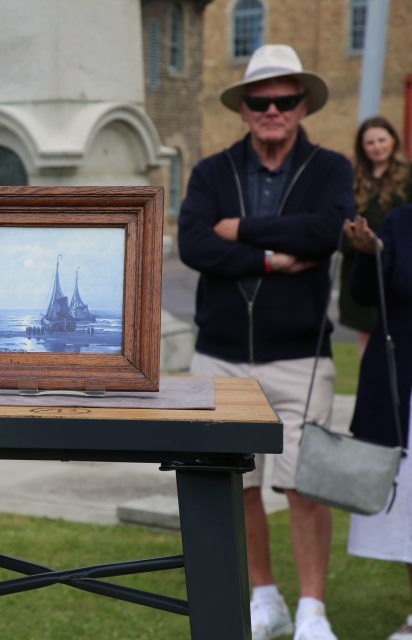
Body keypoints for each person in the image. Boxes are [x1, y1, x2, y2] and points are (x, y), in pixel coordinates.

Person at [177, 44, 354, 640]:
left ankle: (312, 609)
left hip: (300, 354)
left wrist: (243, 233)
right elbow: (195, 244)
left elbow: (328, 230)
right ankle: (264, 596)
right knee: (240, 483)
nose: (272, 110)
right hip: (222, 352)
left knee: (304, 484)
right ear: (245, 108)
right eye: (260, 101)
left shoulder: (329, 168)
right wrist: (276, 260)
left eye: (284, 100)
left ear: (302, 104)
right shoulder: (211, 171)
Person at [343, 209, 412, 640]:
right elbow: (366, 293)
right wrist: (368, 253)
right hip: (406, 385)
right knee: (409, 507)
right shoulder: (402, 222)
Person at [339, 116, 412, 356]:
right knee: (368, 343)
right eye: (370, 142)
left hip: (399, 267)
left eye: (382, 140)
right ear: (362, 146)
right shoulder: (352, 180)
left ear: (393, 140)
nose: (377, 147)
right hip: (361, 266)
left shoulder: (408, 177)